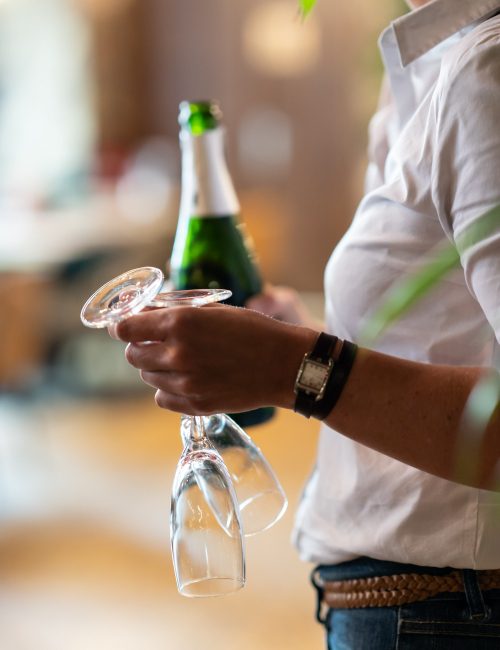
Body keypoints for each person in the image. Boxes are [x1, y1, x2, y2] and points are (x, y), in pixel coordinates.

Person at [110, 0, 500, 647]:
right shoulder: (428, 65)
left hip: (449, 614)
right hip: (411, 601)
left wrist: (297, 367)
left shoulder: (483, 72)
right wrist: (312, 333)